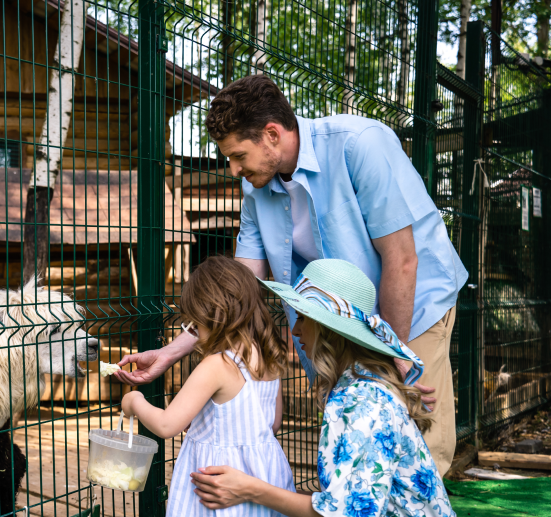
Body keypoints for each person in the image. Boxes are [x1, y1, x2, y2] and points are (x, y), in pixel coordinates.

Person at [116, 74, 467, 482]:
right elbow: (237, 293)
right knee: (353, 450)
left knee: (414, 445)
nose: (232, 169)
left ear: (271, 134)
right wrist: (171, 351)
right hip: (334, 325)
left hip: (411, 305)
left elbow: (402, 260)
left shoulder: (360, 144)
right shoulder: (255, 191)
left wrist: (392, 356)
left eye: (238, 155)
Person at [188, 259, 494, 517]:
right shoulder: (364, 386)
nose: (295, 330)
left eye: (303, 318)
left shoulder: (359, 402)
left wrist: (249, 489)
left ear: (327, 328)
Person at [120, 256, 302, 517]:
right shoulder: (268, 353)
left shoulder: (215, 365)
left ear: (214, 315)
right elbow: (272, 421)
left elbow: (166, 424)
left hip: (222, 480)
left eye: (196, 322)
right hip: (264, 473)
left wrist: (134, 403)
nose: (195, 331)